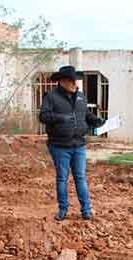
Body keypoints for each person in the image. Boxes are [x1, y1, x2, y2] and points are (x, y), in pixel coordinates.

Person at [39, 65, 105, 221]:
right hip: (60, 146)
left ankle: (86, 210)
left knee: (80, 178)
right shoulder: (51, 97)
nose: (75, 83)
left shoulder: (81, 97)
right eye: (72, 81)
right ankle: (63, 210)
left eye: (76, 80)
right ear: (62, 81)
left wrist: (97, 121)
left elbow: (86, 115)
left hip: (79, 145)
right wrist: (60, 118)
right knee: (62, 178)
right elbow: (43, 116)